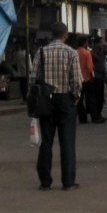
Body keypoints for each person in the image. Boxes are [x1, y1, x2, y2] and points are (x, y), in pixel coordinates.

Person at [31, 22, 83, 190]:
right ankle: (68, 181)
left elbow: (33, 78)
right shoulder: (71, 52)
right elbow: (77, 81)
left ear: (51, 34)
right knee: (67, 141)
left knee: (46, 141)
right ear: (65, 34)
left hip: (46, 100)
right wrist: (75, 98)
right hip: (65, 99)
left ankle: (45, 181)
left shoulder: (41, 52)